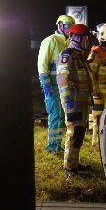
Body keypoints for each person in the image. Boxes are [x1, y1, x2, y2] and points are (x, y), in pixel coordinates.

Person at [56, 24, 93, 178]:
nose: (87, 41)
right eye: (85, 37)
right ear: (77, 38)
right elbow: (62, 79)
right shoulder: (68, 54)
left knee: (79, 133)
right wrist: (68, 100)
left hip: (82, 102)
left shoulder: (80, 55)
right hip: (73, 102)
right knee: (73, 133)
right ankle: (69, 169)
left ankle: (75, 164)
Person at [37, 14, 75, 154]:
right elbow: (42, 65)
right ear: (60, 25)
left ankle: (57, 144)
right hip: (51, 86)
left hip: (62, 87)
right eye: (68, 26)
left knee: (61, 116)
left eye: (72, 26)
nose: (70, 29)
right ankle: (52, 146)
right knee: (55, 114)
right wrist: (45, 85)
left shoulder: (67, 42)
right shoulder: (50, 41)